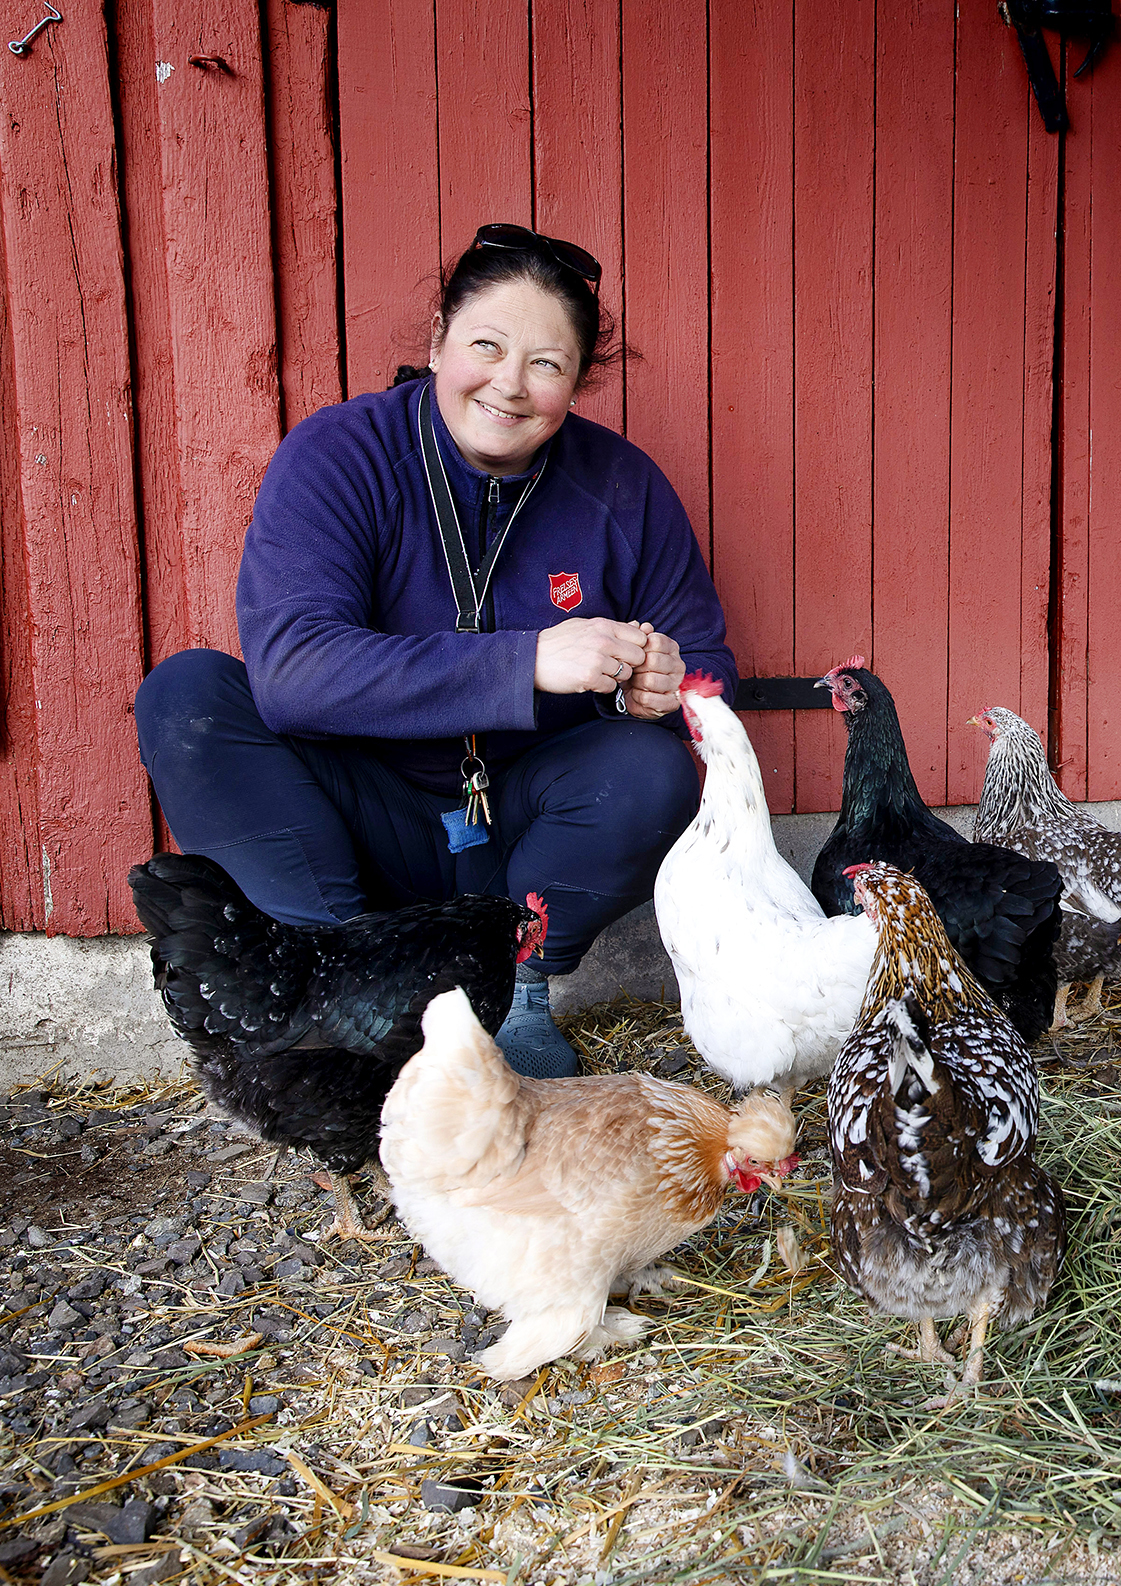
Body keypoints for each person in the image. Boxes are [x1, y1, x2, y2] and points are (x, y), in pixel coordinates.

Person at [135, 223, 735, 1079]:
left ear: (575, 385)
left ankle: (517, 995)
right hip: (363, 811)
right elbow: (294, 671)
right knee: (187, 695)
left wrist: (668, 684)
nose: (509, 384)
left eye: (546, 364)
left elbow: (712, 666)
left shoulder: (621, 486)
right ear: (437, 341)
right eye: (485, 345)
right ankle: (345, 990)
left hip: (523, 827)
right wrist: (523, 662)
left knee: (653, 769)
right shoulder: (342, 453)